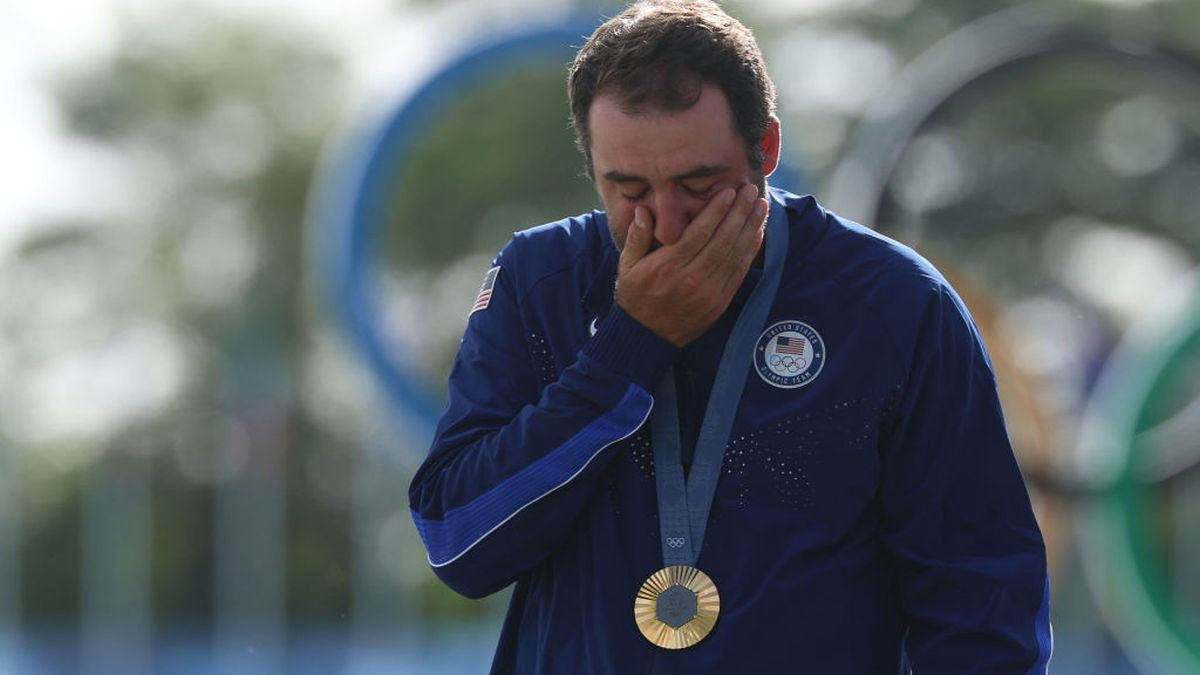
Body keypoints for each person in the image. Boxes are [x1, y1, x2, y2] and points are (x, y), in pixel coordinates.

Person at [409, 1, 1053, 672]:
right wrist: (628, 347)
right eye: (626, 187)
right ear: (592, 166)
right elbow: (458, 541)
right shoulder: (539, 281)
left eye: (699, 184)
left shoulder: (894, 303)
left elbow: (982, 604)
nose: (664, 220)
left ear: (767, 148)